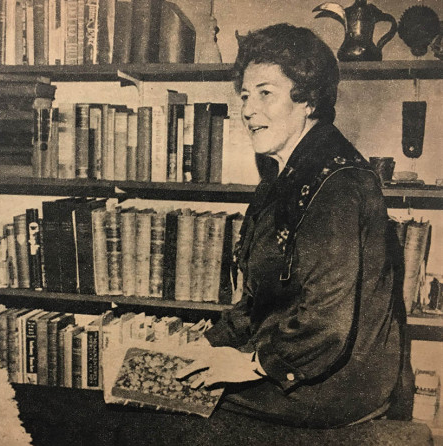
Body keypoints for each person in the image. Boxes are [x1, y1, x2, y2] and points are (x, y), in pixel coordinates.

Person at [176, 23, 413, 428]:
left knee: (173, 406)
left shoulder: (339, 184)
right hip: (300, 366)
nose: (249, 109)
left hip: (338, 386)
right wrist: (198, 346)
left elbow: (327, 327)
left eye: (266, 93)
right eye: (246, 96)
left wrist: (250, 363)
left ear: (308, 99)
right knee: (163, 380)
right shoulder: (280, 178)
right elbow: (258, 305)